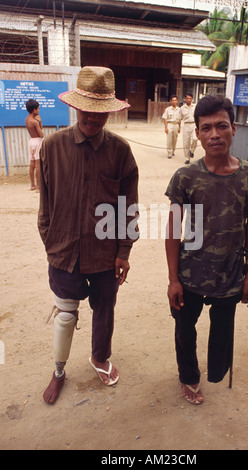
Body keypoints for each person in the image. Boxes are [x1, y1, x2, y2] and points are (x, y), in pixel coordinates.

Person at [38, 66, 139, 405]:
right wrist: (52, 241)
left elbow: (129, 207)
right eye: (87, 110)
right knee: (65, 315)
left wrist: (123, 251)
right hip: (63, 252)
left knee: (105, 309)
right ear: (76, 106)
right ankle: (59, 370)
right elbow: (45, 204)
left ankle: (99, 356)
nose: (93, 119)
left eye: (101, 112)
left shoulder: (121, 152)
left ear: (110, 112)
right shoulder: (52, 147)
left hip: (105, 254)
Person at [165, 94, 248, 405]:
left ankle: (217, 372)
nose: (214, 135)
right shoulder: (185, 177)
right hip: (190, 272)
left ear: (233, 128)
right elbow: (172, 230)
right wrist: (173, 279)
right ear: (196, 132)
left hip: (230, 275)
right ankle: (189, 376)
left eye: (221, 126)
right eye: (206, 128)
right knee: (185, 329)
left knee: (222, 331)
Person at [25, 99, 44, 191]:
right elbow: (41, 134)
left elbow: (38, 129)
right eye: (38, 109)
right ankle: (39, 186)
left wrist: (39, 122)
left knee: (31, 164)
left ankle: (32, 185)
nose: (39, 110)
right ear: (34, 110)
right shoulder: (34, 122)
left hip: (31, 141)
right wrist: (39, 122)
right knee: (38, 165)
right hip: (37, 142)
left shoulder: (27, 119)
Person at [180, 93, 197, 164]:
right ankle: (187, 158)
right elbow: (180, 118)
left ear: (192, 99)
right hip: (186, 125)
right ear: (185, 99)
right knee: (186, 143)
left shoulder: (195, 106)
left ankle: (192, 151)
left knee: (195, 139)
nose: (189, 100)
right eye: (187, 98)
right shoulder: (182, 108)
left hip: (194, 124)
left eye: (190, 98)